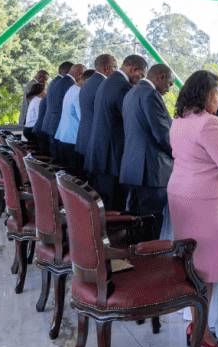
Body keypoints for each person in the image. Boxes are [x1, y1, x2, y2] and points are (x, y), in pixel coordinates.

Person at [167, 70, 218, 347]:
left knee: (193, 266)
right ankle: (201, 331)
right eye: (217, 93)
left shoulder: (180, 121)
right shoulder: (210, 124)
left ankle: (196, 323)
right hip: (206, 202)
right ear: (205, 95)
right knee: (204, 270)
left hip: (181, 194)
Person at [84, 55, 148, 212]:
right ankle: (114, 236)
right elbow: (133, 121)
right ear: (134, 69)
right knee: (114, 204)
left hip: (100, 150)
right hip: (112, 155)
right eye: (142, 75)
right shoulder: (123, 87)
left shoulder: (109, 81)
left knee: (102, 202)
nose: (140, 79)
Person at [119, 64, 175, 241]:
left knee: (137, 222)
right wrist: (181, 155)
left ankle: (136, 259)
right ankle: (150, 263)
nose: (169, 89)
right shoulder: (151, 95)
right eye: (169, 84)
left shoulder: (132, 92)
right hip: (151, 170)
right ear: (161, 78)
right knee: (152, 223)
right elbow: (162, 135)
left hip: (133, 166)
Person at [75, 54, 118, 165]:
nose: (117, 71)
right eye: (115, 67)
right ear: (107, 69)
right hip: (95, 140)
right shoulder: (104, 85)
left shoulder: (86, 83)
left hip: (83, 136)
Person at [54, 69, 94, 175]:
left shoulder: (72, 89)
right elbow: (83, 118)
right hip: (73, 140)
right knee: (78, 178)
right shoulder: (79, 92)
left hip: (64, 137)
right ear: (89, 81)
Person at [44, 63, 86, 159]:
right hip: (63, 129)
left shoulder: (59, 81)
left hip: (56, 126)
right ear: (79, 74)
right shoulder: (71, 85)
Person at [33, 62, 72, 156]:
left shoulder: (54, 82)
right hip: (56, 125)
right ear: (67, 71)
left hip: (49, 124)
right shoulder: (63, 83)